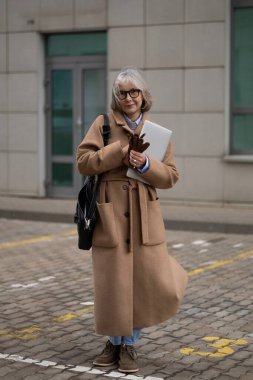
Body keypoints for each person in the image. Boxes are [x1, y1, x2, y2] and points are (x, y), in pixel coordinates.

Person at [76, 67, 188, 374]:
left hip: (144, 216)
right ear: (116, 96)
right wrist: (120, 152)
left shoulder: (158, 132)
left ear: (143, 95)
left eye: (134, 92)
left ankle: (128, 343)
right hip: (111, 216)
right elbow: (84, 163)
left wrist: (146, 163)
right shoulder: (103, 126)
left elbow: (171, 177)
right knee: (114, 283)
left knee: (144, 282)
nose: (129, 98)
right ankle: (116, 343)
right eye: (123, 93)